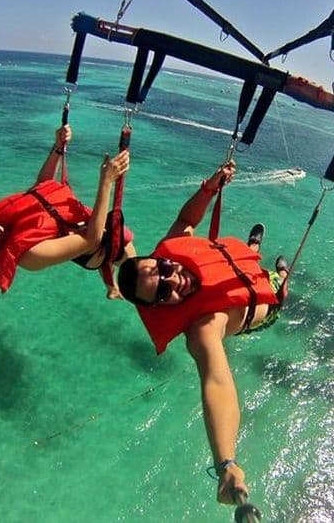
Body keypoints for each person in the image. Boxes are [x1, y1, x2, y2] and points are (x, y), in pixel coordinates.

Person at [117, 160, 289, 505]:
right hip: (266, 305)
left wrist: (209, 188)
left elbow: (186, 222)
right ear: (161, 307)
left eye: (164, 268)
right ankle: (275, 266)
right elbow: (216, 382)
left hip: (234, 271)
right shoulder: (203, 329)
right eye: (164, 292)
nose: (173, 278)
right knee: (283, 281)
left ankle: (253, 248)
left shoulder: (171, 255)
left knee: (246, 257)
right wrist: (226, 462)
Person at [0, 124, 134, 331]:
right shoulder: (29, 256)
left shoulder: (3, 219)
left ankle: (111, 286)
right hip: (94, 249)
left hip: (82, 225)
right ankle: (121, 288)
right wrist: (107, 181)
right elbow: (91, 239)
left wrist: (58, 147)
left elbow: (41, 189)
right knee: (129, 256)